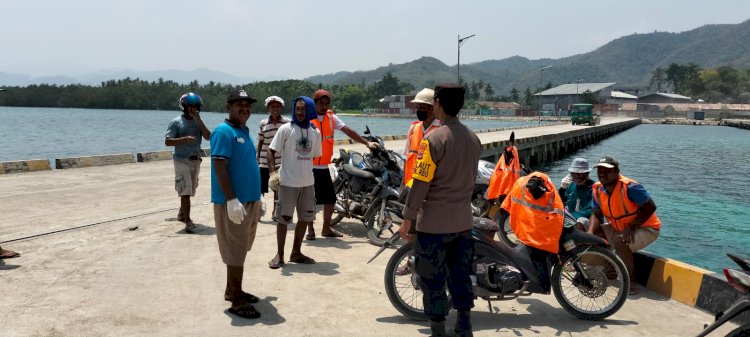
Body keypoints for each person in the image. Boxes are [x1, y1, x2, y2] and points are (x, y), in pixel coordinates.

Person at [399, 83, 481, 337]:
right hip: (463, 224)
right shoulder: (473, 139)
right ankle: (464, 326)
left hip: (434, 226)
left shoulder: (433, 140)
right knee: (460, 277)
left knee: (432, 280)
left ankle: (438, 330)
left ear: (437, 104)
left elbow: (421, 183)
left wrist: (408, 218)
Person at [210, 89, 264, 319]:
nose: (244, 108)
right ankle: (237, 300)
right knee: (235, 251)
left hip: (249, 201)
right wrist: (231, 199)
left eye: (247, 105)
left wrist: (258, 196)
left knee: (241, 248)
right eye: (238, 104)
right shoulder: (223, 132)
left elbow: (247, 164)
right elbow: (220, 166)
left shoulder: (244, 131)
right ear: (228, 107)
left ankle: (233, 290)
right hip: (233, 202)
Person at [307, 89, 379, 240]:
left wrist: (366, 143)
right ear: (314, 103)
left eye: (327, 103)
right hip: (307, 166)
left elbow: (348, 131)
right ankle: (310, 230)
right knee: (309, 200)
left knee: (330, 199)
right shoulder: (307, 117)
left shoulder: (331, 117)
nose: (324, 106)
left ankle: (326, 228)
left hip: (323, 167)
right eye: (321, 103)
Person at [587, 156, 661, 295]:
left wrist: (631, 227)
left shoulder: (630, 188)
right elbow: (596, 214)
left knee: (620, 242)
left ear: (616, 172)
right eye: (600, 170)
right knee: (585, 229)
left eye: (607, 170)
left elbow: (650, 207)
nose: (602, 173)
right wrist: (590, 233)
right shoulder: (597, 189)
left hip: (646, 228)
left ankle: (630, 282)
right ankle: (609, 270)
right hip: (619, 227)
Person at [267, 96, 322, 269]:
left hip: (307, 183)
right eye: (297, 108)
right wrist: (272, 173)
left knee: (305, 218)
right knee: (283, 219)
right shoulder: (286, 129)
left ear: (310, 111)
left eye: (303, 109)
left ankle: (296, 252)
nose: (299, 112)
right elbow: (270, 151)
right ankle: (280, 254)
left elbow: (314, 155)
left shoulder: (315, 132)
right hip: (288, 183)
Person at [165, 92, 211, 233]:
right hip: (181, 159)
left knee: (191, 189)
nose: (193, 109)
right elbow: (167, 141)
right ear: (184, 107)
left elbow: (208, 136)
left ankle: (181, 214)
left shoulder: (198, 121)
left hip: (195, 159)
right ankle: (188, 220)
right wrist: (184, 139)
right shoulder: (176, 122)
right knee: (185, 190)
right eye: (190, 106)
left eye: (196, 106)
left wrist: (199, 119)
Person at [257, 95, 290, 221]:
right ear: (268, 108)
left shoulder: (287, 122)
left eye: (277, 106)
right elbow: (260, 141)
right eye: (272, 106)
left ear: (281, 108)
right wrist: (258, 157)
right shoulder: (263, 123)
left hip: (280, 162)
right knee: (261, 188)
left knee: (278, 188)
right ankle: (259, 211)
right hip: (264, 161)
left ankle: (275, 212)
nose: (275, 108)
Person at [402, 88, 441, 186]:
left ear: (432, 108)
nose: (419, 111)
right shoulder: (414, 128)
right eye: (418, 107)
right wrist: (402, 185)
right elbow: (407, 159)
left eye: (422, 108)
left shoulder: (441, 130)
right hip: (409, 186)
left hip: (430, 188)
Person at [558, 157, 595, 230]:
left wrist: (570, 217)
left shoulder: (594, 189)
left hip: (587, 222)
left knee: (580, 221)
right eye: (575, 174)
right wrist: (562, 189)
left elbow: (590, 212)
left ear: (587, 173)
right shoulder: (570, 185)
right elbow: (559, 203)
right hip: (570, 219)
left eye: (582, 174)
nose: (578, 177)